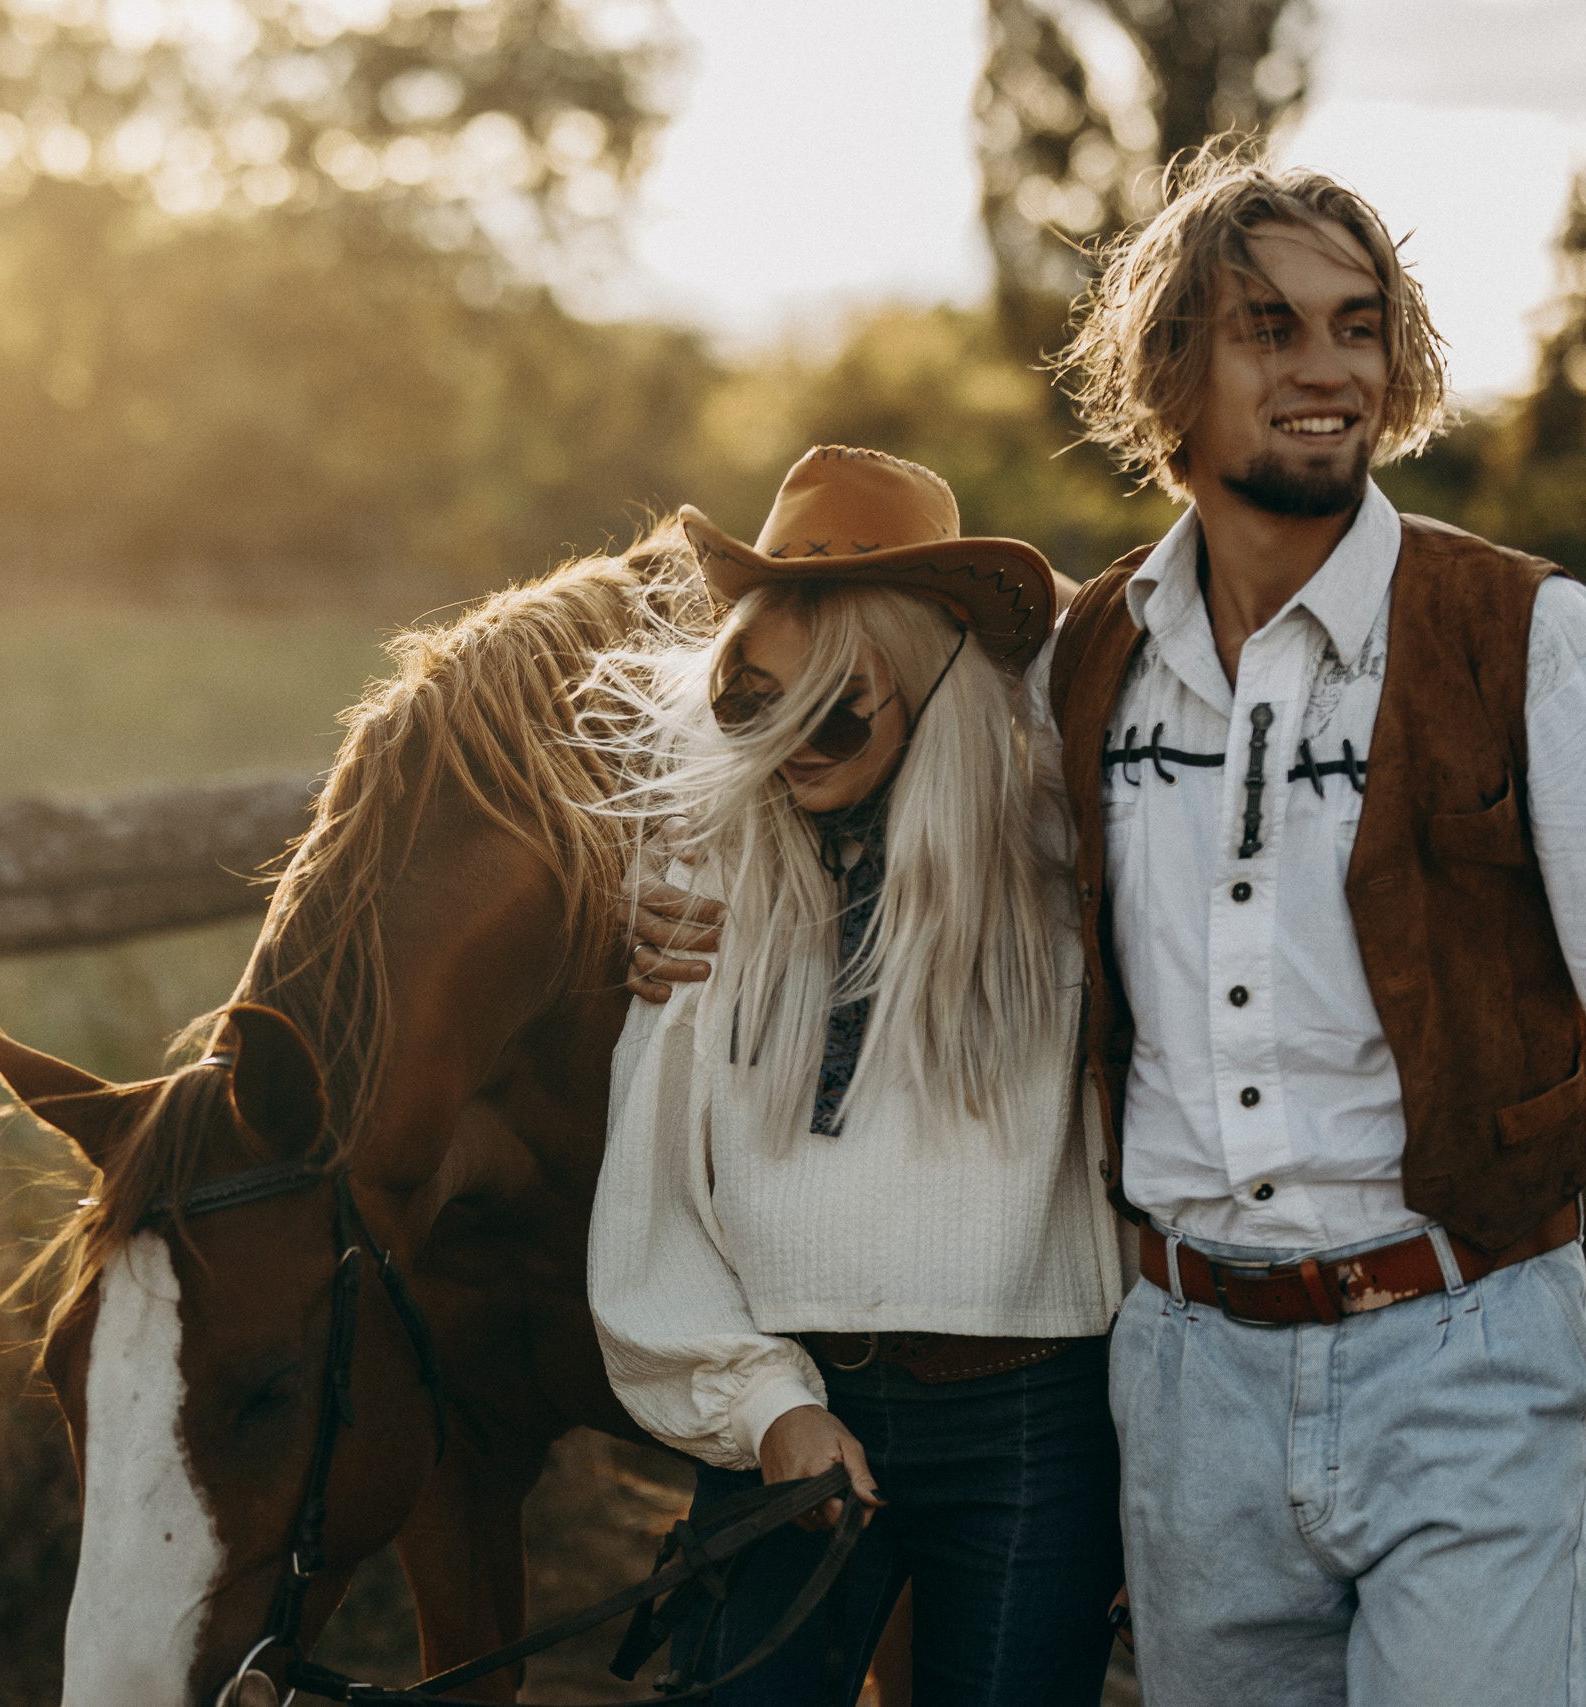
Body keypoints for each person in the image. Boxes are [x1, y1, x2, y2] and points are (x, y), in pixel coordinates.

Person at [637, 149, 1586, 1706]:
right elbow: (847, 746)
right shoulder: (1085, 664)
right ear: (1171, 373)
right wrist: (672, 900)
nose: (1327, 367)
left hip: (1467, 1336)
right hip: (1192, 1372)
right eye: (1269, 327)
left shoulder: (1527, 638)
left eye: (1358, 325)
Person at [584, 445, 1125, 1706]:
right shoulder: (704, 887)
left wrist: (973, 598)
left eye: (835, 708)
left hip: (1031, 1426)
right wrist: (767, 1409)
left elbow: (1143, 628)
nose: (788, 744)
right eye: (750, 702)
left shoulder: (1064, 863)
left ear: (934, 685)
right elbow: (650, 1202)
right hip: (789, 1414)